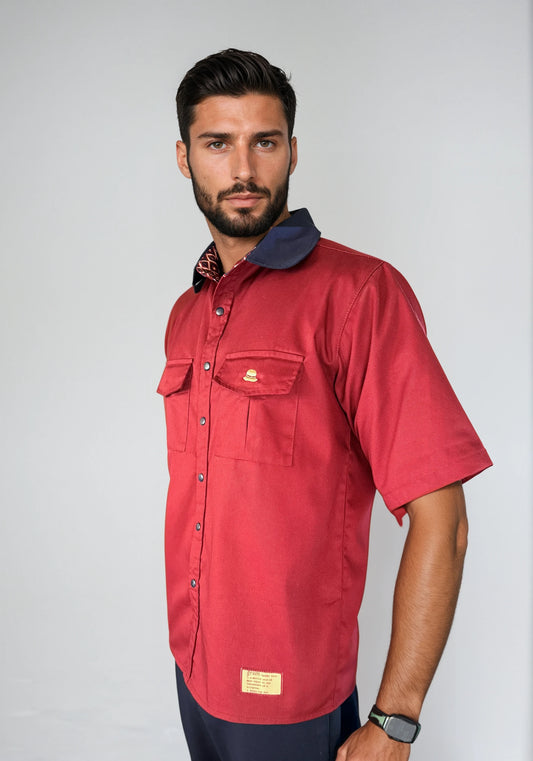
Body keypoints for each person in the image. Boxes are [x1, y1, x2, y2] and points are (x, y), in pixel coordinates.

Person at [157, 49, 492, 761]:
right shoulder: (187, 313)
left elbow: (444, 519)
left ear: (292, 151)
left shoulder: (360, 294)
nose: (243, 168)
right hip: (193, 668)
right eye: (217, 143)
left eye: (264, 142)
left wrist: (394, 721)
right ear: (184, 158)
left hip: (288, 700)